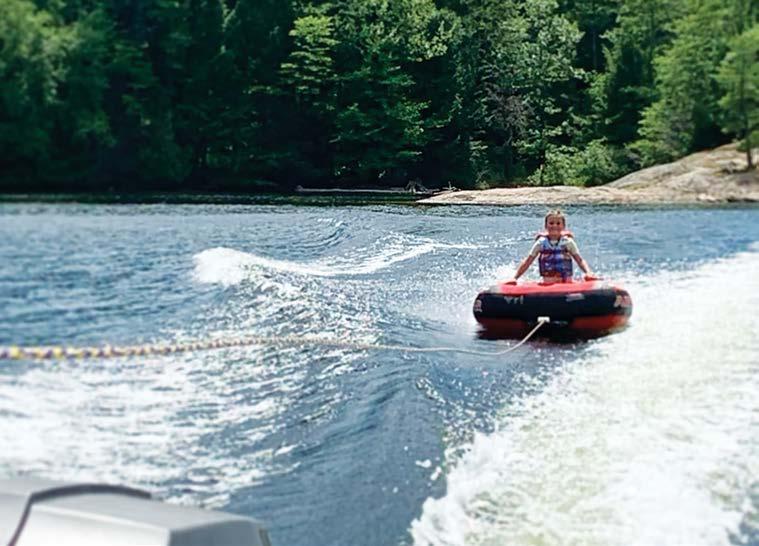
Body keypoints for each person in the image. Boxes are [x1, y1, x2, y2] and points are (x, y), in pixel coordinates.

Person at [508, 210, 596, 284]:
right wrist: (515, 278)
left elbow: (579, 260)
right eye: (551, 223)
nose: (554, 226)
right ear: (546, 226)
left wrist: (588, 272)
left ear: (563, 226)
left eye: (558, 223)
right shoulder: (541, 243)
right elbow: (528, 261)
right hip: (548, 283)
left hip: (566, 282)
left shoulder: (568, 242)